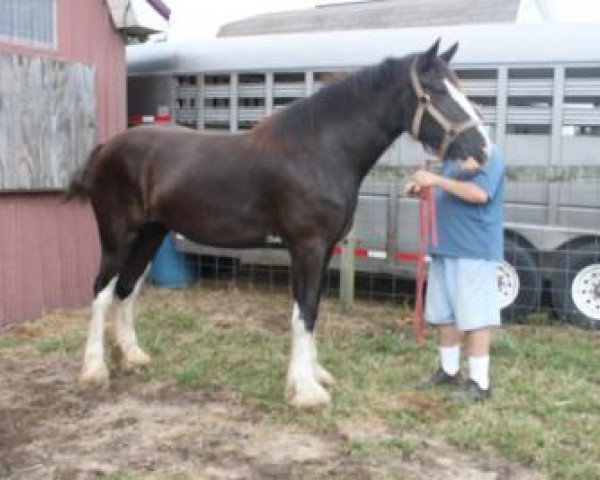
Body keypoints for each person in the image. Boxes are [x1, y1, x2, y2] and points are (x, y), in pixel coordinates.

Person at [404, 146, 505, 401]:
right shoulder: (454, 158)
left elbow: (480, 194)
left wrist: (436, 180)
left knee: (476, 318)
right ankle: (449, 372)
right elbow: (449, 192)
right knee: (445, 315)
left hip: (472, 249)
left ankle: (480, 384)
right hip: (445, 247)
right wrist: (423, 190)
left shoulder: (489, 155)